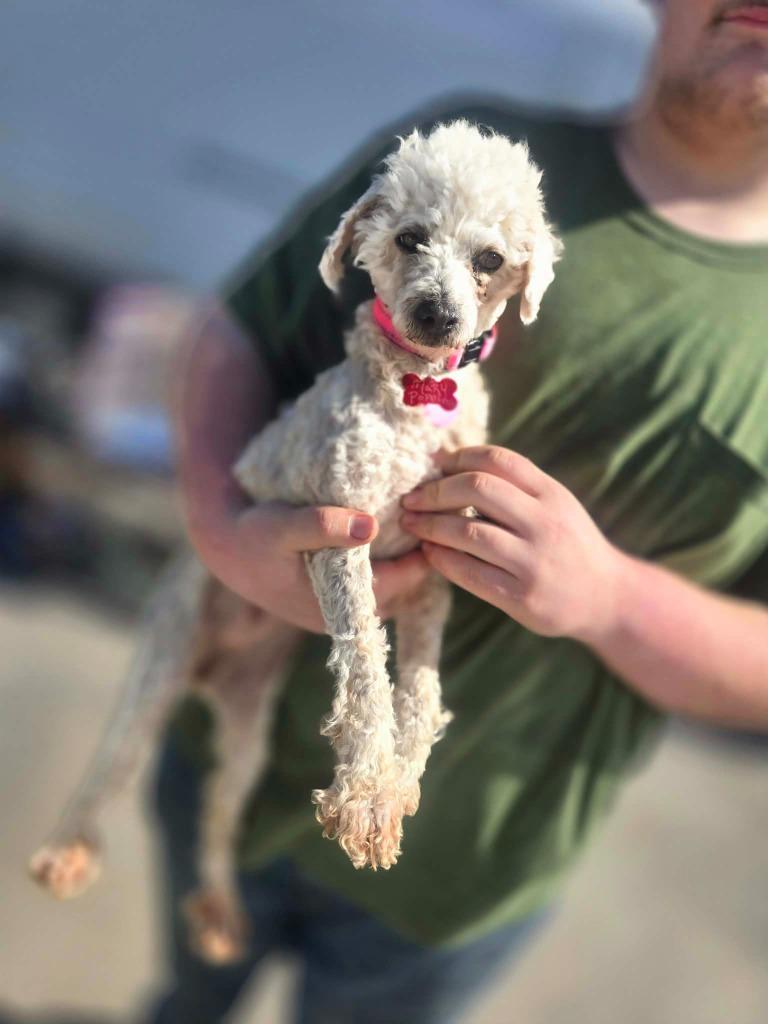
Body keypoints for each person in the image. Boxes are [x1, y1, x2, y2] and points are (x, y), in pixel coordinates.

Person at [153, 1, 768, 1021]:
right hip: (228, 756)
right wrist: (223, 528)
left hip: (459, 880)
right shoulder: (461, 156)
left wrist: (611, 599)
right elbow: (238, 327)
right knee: (183, 1001)